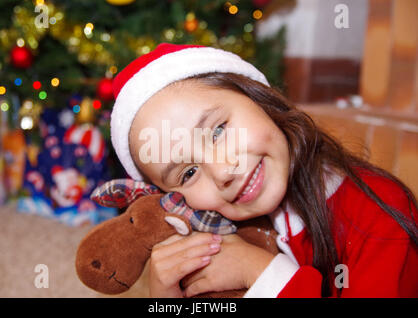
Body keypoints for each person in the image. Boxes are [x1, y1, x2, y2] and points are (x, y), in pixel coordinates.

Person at [109, 43, 418, 297]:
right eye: (188, 173)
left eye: (217, 131)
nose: (223, 172)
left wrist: (260, 272)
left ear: (260, 99)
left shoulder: (380, 213)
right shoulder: (214, 233)